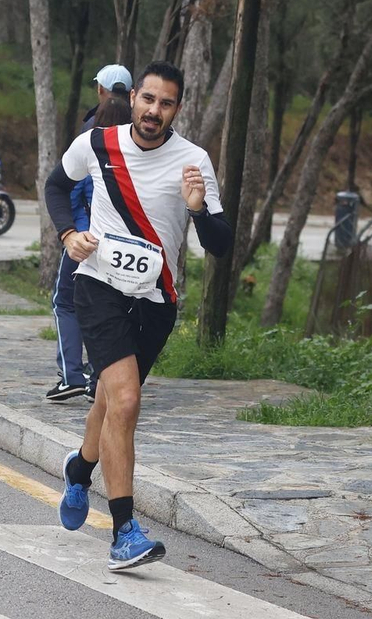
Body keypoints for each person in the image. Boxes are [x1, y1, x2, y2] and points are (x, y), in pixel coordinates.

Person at [45, 61, 233, 570]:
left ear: (177, 109)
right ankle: (124, 531)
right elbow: (55, 188)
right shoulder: (98, 144)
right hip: (100, 285)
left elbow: (220, 244)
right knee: (125, 400)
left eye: (166, 103)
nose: (154, 110)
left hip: (156, 300)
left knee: (111, 402)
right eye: (148, 99)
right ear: (134, 99)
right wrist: (69, 234)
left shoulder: (193, 160)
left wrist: (197, 208)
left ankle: (80, 470)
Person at [47, 64, 134, 403]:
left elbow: (70, 189)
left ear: (99, 90)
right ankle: (102, 378)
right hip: (129, 241)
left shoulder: (90, 134)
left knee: (66, 302)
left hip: (86, 238)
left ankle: (72, 375)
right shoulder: (142, 135)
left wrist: (71, 233)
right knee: (118, 309)